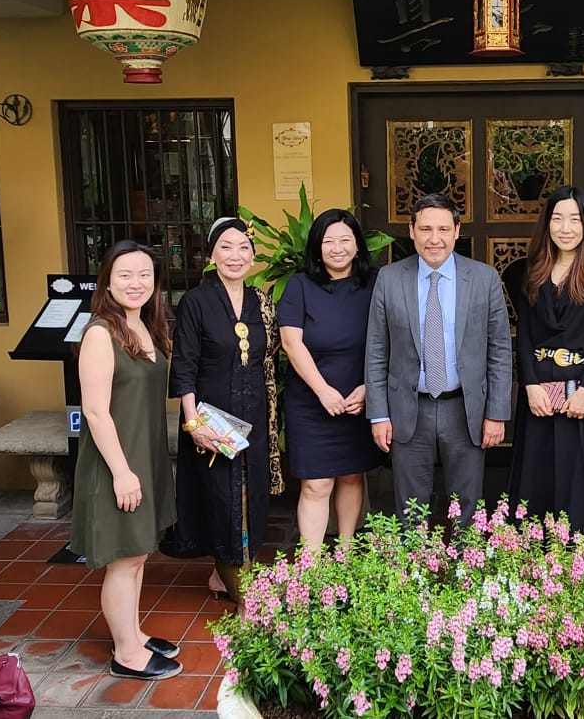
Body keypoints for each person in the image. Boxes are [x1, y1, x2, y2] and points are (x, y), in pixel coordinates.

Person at [69, 241, 182, 680]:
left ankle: (132, 634)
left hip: (144, 457)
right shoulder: (101, 332)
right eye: (125, 275)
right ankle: (125, 653)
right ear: (107, 282)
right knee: (124, 558)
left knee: (138, 555)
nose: (136, 284)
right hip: (118, 463)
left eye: (145, 275)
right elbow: (95, 412)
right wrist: (120, 472)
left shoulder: (148, 327)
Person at [364, 192, 512, 521]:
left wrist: (497, 413)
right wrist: (378, 414)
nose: (435, 239)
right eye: (426, 229)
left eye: (444, 230)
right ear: (412, 230)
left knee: (467, 504)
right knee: (410, 508)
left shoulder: (484, 278)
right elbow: (376, 351)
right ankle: (415, 569)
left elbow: (500, 349)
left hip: (465, 409)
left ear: (457, 231)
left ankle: (464, 567)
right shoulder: (389, 279)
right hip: (407, 408)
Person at [503, 186, 584, 550]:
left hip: (582, 397)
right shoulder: (528, 270)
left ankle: (581, 562)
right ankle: (536, 559)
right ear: (547, 223)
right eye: (557, 218)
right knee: (537, 477)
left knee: (581, 480)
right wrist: (529, 384)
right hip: (540, 392)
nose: (565, 227)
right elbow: (523, 333)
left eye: (574, 219)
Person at [169, 217, 282, 603]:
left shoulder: (260, 302)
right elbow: (183, 365)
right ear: (212, 254)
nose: (236, 256)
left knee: (251, 497)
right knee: (223, 499)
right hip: (211, 419)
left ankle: (226, 576)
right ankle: (244, 595)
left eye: (244, 248)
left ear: (253, 256)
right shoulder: (196, 302)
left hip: (253, 415)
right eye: (226, 247)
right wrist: (193, 423)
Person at [278, 209, 384, 550]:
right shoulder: (300, 285)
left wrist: (370, 388)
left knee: (353, 476)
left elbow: (393, 338)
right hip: (311, 401)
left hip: (359, 399)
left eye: (345, 240)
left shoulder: (377, 283)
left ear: (357, 245)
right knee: (316, 484)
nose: (337, 248)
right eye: (327, 241)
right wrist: (323, 390)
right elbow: (291, 343)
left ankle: (347, 551)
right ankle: (312, 566)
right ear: (316, 247)